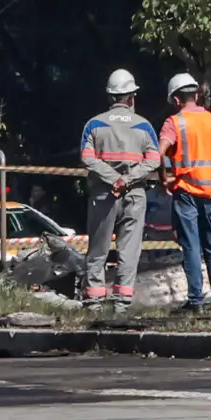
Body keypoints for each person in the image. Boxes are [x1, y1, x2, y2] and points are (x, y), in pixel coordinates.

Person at [79, 69, 160, 314]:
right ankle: (121, 304)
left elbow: (87, 158)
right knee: (129, 249)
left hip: (104, 194)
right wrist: (128, 179)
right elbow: (154, 160)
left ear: (110, 97)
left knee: (98, 249)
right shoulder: (144, 125)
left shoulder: (94, 124)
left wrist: (113, 178)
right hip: (134, 194)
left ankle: (93, 302)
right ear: (132, 97)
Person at [158, 72, 211, 313]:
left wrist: (164, 179)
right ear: (197, 95)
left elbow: (159, 152)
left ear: (176, 99)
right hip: (210, 192)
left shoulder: (174, 122)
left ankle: (196, 302)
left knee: (191, 246)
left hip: (187, 192)